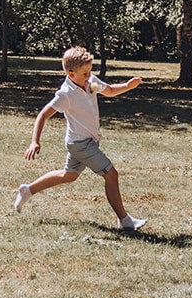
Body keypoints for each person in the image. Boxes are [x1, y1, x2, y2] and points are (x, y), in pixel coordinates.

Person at [14, 46, 146, 231]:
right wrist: (35, 141)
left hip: (84, 141)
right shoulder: (66, 94)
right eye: (84, 73)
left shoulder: (89, 80)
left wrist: (127, 86)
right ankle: (125, 220)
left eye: (89, 71)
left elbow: (108, 90)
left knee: (69, 175)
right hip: (80, 145)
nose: (89, 75)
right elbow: (43, 115)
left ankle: (28, 190)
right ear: (71, 73)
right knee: (111, 175)